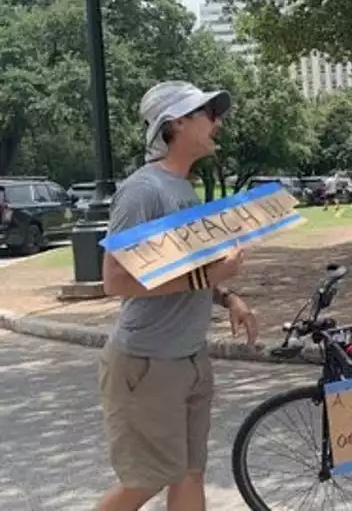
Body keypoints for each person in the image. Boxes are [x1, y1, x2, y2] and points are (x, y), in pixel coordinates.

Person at [98, 81, 259, 511]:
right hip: (148, 363)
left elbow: (190, 271)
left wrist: (227, 297)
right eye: (208, 113)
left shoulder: (183, 191)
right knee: (147, 479)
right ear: (176, 124)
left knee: (190, 472)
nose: (218, 122)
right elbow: (115, 279)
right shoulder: (142, 191)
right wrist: (208, 276)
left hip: (189, 358)